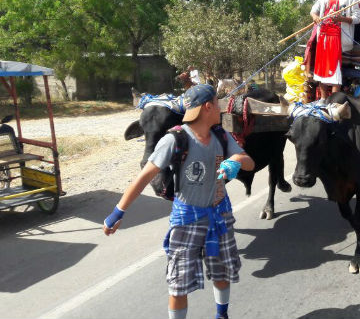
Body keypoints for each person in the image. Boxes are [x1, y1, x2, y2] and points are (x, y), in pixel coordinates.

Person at [103, 84, 255, 319]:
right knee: (178, 285)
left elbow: (249, 162)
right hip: (187, 220)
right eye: (217, 103)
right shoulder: (175, 139)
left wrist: (235, 160)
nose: (220, 108)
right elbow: (144, 177)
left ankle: (222, 315)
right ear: (207, 107)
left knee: (221, 273)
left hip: (219, 216)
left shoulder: (221, 136)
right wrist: (118, 211)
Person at [310, 0, 360, 101]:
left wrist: (342, 19)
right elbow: (313, 11)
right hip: (323, 37)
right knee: (321, 69)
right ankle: (322, 99)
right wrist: (315, 17)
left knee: (335, 70)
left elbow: (357, 18)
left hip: (336, 37)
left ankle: (333, 101)